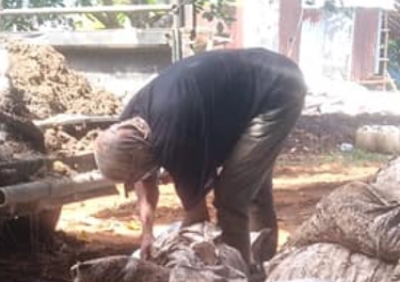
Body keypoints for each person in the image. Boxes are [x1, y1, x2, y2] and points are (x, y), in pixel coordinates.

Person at [93, 47, 307, 267]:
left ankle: (242, 280)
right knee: (249, 187)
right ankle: (260, 263)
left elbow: (197, 218)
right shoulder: (129, 126)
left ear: (144, 156)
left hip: (277, 91)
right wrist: (147, 233)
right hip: (255, 83)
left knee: (232, 198)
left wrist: (171, 251)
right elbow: (143, 180)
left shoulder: (177, 142)